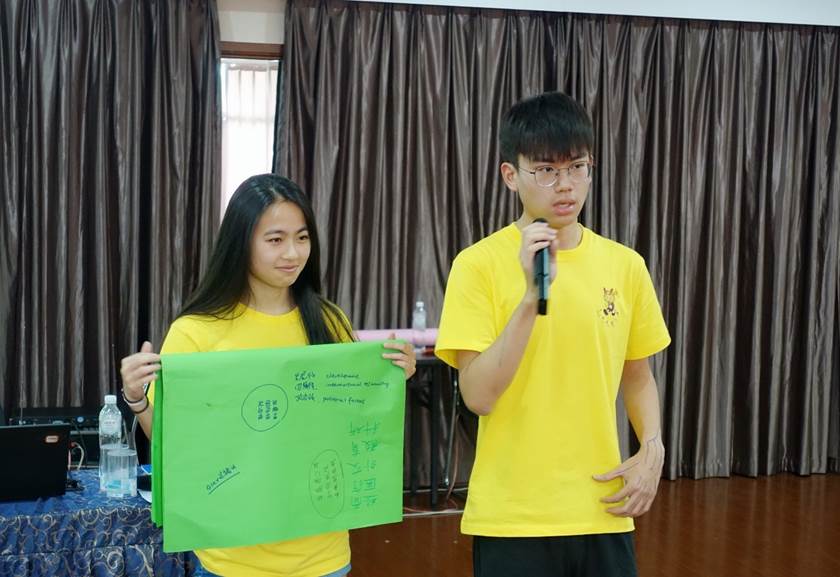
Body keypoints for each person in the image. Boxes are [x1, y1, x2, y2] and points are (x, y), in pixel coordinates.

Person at [119, 173, 417, 577]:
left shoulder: (330, 321)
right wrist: (137, 397)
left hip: (323, 555)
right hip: (232, 558)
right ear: (241, 243)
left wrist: (392, 377)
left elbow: (351, 421)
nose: (292, 253)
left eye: (302, 237)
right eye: (275, 240)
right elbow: (174, 441)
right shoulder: (195, 331)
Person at [435, 91, 671, 577]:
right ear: (511, 175)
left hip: (603, 509)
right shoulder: (476, 266)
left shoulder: (625, 265)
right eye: (545, 170)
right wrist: (530, 297)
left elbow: (637, 375)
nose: (565, 185)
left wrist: (652, 447)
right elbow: (478, 396)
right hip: (513, 516)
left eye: (577, 167)